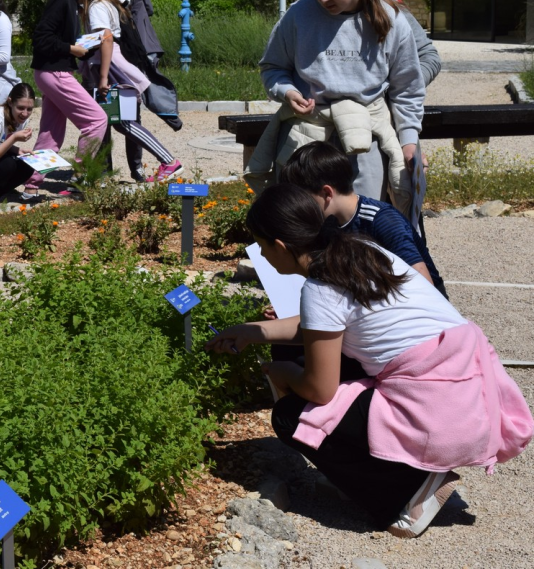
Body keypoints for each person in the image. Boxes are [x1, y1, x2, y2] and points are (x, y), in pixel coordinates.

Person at [206, 183, 532, 538]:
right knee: (304, 363)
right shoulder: (358, 249)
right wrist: (254, 330)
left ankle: (410, 491)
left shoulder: (320, 287)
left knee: (290, 416)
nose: (262, 257)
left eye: (262, 246)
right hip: (470, 395)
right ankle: (391, 473)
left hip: (438, 413)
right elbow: (324, 326)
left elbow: (319, 387)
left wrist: (283, 373)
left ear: (281, 246)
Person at [258, 0, 426, 202]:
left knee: (362, 226)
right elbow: (273, 68)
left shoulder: (392, 19)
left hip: (366, 139)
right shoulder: (299, 14)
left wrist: (409, 141)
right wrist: (287, 92)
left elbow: (407, 89)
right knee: (303, 226)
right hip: (307, 136)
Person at [279, 141, 446, 296]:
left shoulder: (383, 221)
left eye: (303, 199)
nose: (299, 207)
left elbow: (425, 286)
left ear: (327, 193)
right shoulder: (329, 225)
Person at [25, 0, 110, 198]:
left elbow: (60, 40)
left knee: (50, 135)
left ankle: (31, 186)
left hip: (52, 72)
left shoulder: (73, 2)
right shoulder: (62, 0)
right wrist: (72, 49)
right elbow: (41, 38)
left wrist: (85, 46)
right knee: (96, 120)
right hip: (54, 73)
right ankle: (79, 178)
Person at [83, 0, 183, 182]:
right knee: (118, 122)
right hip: (116, 66)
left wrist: (101, 75)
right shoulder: (108, 4)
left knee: (123, 122)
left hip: (109, 69)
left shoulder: (95, 7)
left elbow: (105, 38)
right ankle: (94, 173)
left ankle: (168, 160)